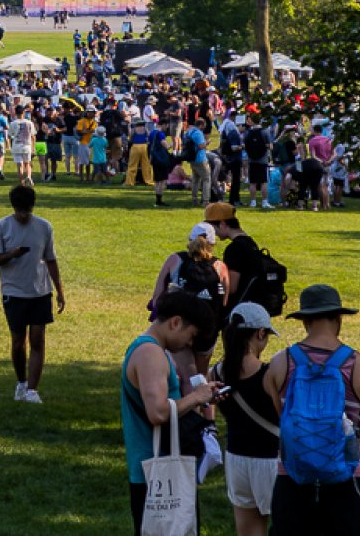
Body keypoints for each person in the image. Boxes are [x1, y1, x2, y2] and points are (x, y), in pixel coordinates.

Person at [262, 284, 360, 532]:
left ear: (304, 320)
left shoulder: (279, 363)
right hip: (348, 479)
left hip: (292, 477)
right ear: (338, 318)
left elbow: (283, 418)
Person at [122, 291, 222, 533]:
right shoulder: (151, 354)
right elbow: (157, 413)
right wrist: (196, 397)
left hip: (158, 472)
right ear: (175, 322)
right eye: (191, 335)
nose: (189, 343)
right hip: (156, 474)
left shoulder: (147, 349)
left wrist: (202, 395)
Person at [0, 183, 64, 403]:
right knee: (18, 341)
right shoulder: (0, 228)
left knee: (38, 339)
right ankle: (21, 383)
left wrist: (59, 290)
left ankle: (32, 389)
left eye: (28, 211)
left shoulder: (44, 227)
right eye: (21, 211)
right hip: (14, 292)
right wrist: (11, 254)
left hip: (40, 291)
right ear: (14, 208)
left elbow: (50, 259)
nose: (24, 215)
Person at [216, 302, 281, 536]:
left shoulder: (218, 372)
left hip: (235, 459)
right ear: (260, 333)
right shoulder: (269, 373)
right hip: (269, 460)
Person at [150, 222, 229, 374]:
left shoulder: (175, 260)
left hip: (178, 326)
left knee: (179, 374)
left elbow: (157, 297)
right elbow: (224, 302)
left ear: (190, 239)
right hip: (207, 330)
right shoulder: (220, 266)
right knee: (199, 376)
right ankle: (199, 396)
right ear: (212, 243)